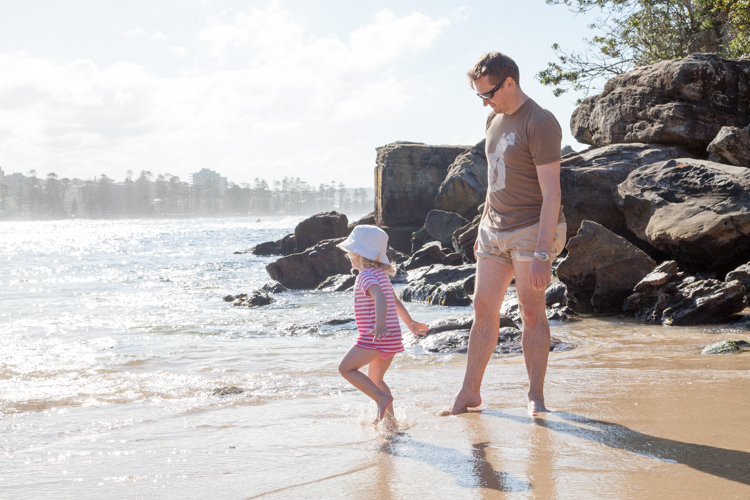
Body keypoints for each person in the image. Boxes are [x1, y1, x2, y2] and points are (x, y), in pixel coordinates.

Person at [448, 52, 567, 416]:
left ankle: (535, 396)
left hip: (532, 229)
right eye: (481, 96)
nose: (485, 101)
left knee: (531, 311)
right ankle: (469, 393)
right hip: (493, 230)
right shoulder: (493, 118)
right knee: (483, 307)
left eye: (489, 93)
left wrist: (543, 253)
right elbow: (494, 178)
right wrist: (482, 224)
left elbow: (552, 194)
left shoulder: (541, 122)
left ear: (510, 83)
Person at [337, 225, 428, 424]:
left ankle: (381, 398)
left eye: (351, 254)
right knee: (376, 380)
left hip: (376, 336)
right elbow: (394, 301)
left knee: (346, 369)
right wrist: (410, 323)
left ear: (358, 255)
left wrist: (379, 324)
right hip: (391, 337)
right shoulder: (381, 275)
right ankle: (390, 422)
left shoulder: (365, 276)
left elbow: (380, 297)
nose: (349, 258)